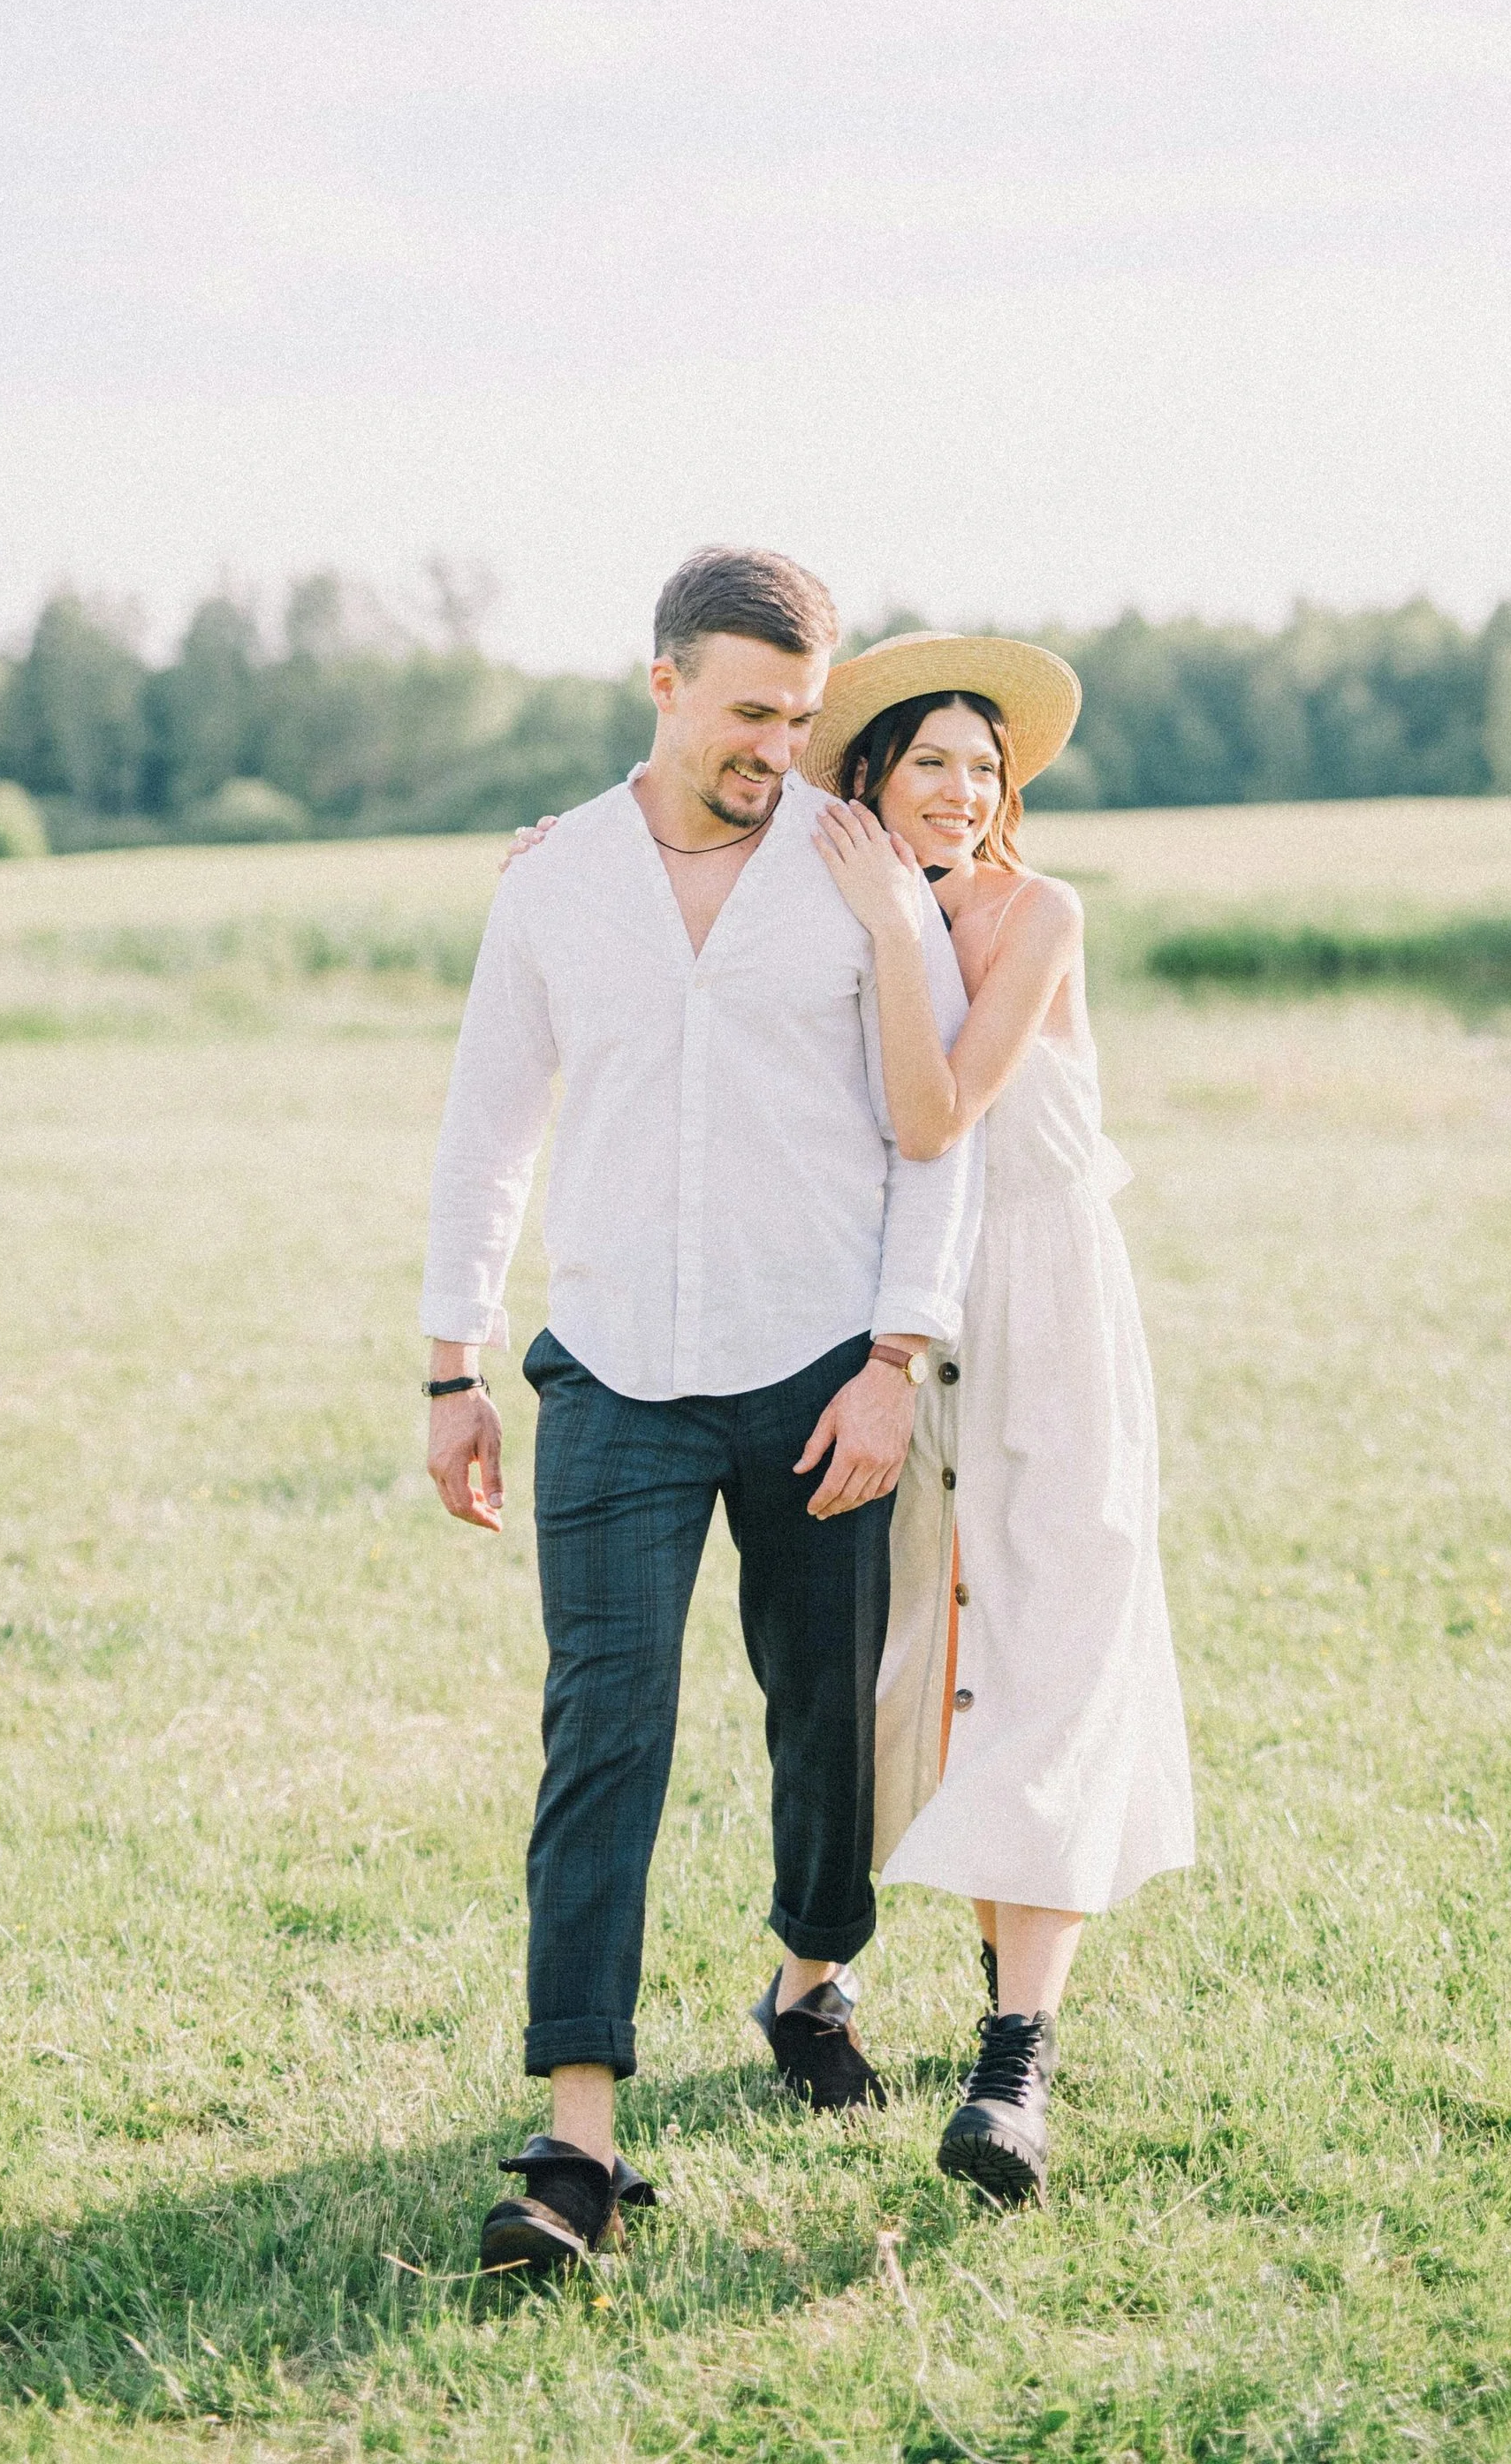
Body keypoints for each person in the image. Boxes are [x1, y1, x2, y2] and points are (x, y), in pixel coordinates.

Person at [421, 551, 981, 2281]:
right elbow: (485, 1126)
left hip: (819, 1369)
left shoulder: (854, 865)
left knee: (819, 1713)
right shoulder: (556, 883)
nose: (777, 749)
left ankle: (812, 1975)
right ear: (660, 684)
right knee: (605, 1726)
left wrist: (894, 1360)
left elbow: (930, 1133)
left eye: (802, 719)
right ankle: (575, 2140)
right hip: (606, 1368)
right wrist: (452, 1360)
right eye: (748, 713)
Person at [805, 633, 1195, 2209]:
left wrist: (900, 926)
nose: (965, 790)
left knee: (1061, 1640)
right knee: (938, 1660)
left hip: (1050, 1316)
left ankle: (1014, 2062)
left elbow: (938, 1109)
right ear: (872, 781)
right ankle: (827, 1977)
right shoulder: (832, 906)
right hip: (901, 1317)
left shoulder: (1037, 913)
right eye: (931, 764)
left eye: (987, 765)